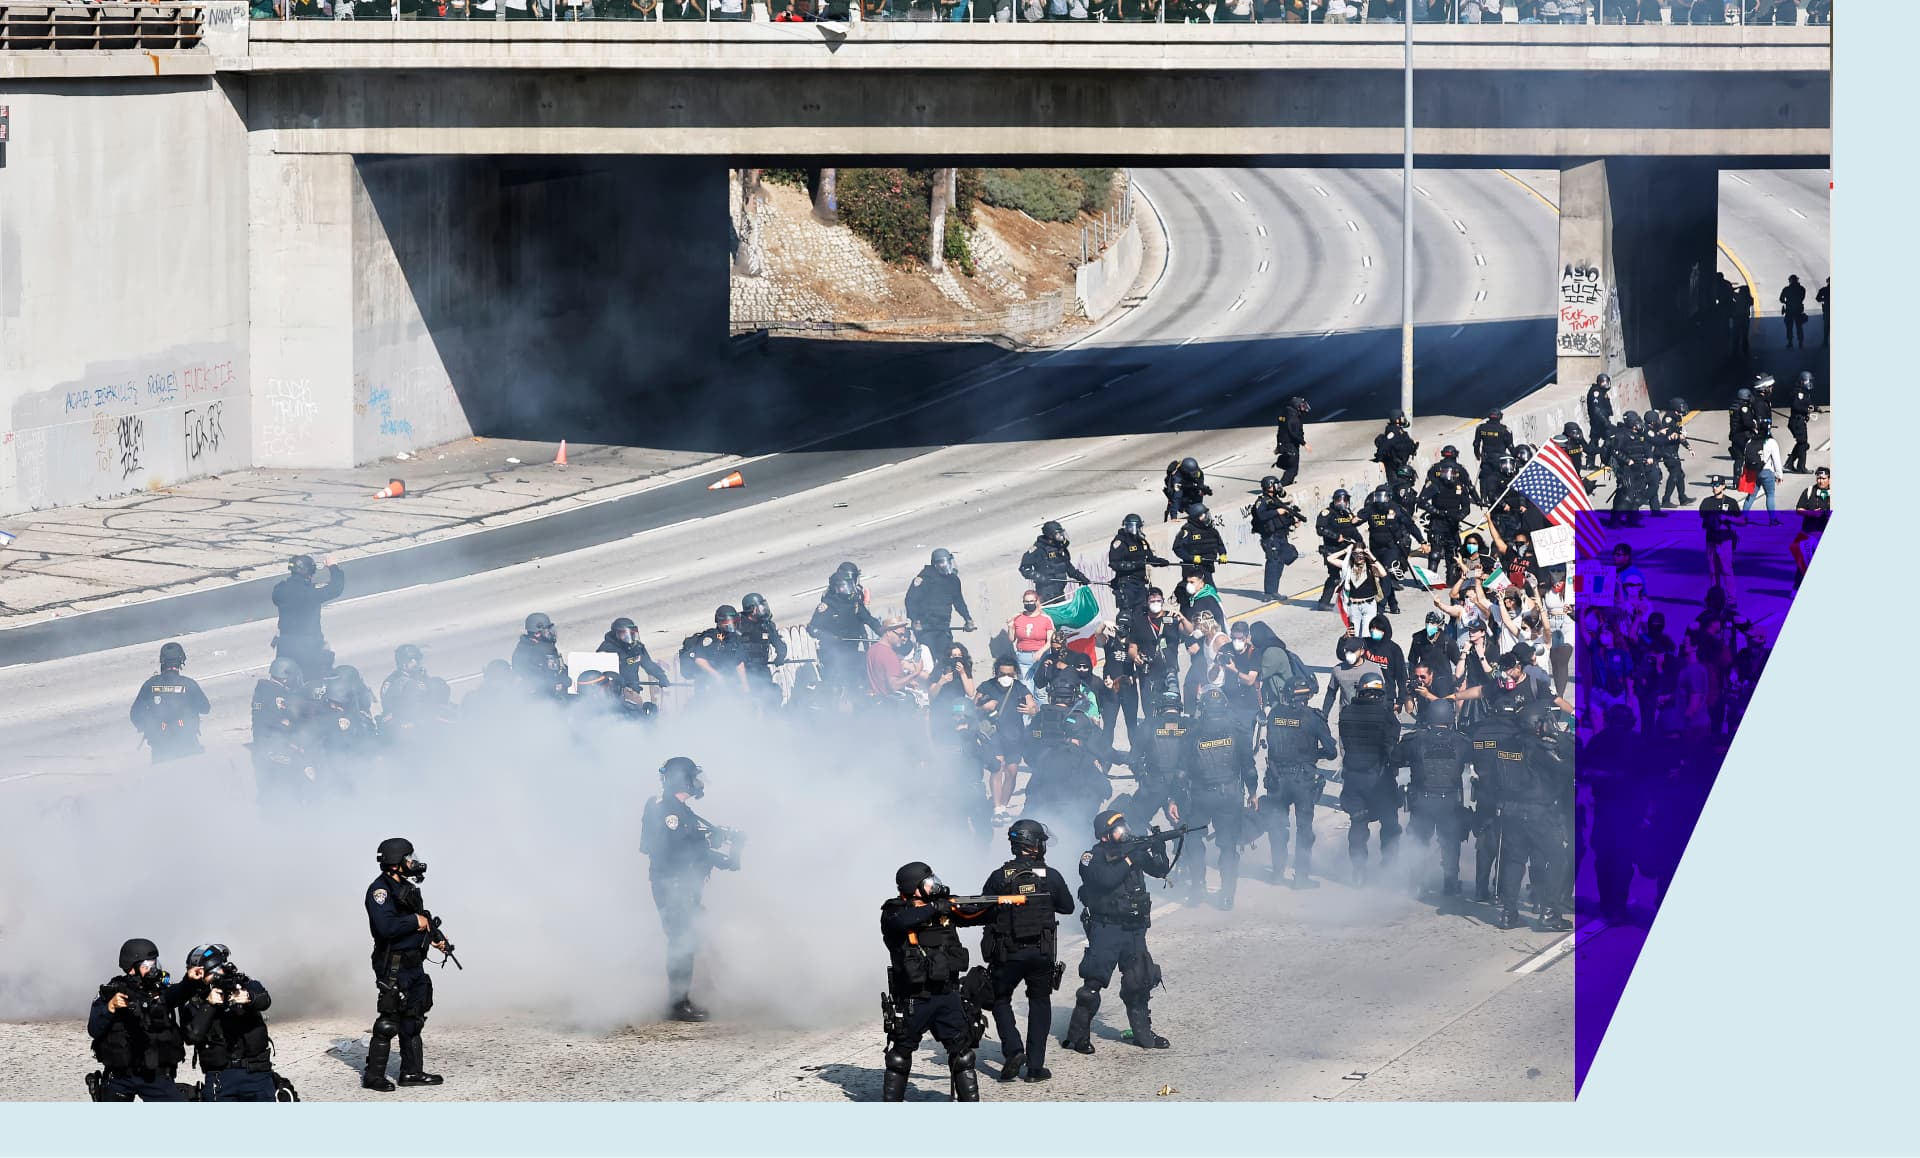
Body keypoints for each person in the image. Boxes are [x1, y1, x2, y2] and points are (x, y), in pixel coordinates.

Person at [1062, 810, 1174, 1055]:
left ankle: (1143, 1034)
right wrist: (1131, 859)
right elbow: (1106, 879)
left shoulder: (1132, 851)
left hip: (1134, 927)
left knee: (1139, 980)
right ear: (1105, 835)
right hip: (1106, 927)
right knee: (1093, 983)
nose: (1124, 831)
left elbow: (1160, 870)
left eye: (1124, 826)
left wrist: (1159, 849)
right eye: (1118, 829)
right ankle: (1078, 1037)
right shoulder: (1091, 857)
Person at [880, 862, 994, 1101]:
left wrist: (1000, 904)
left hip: (947, 995)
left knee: (963, 1055)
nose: (935, 885)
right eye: (928, 882)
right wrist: (934, 907)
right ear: (914, 887)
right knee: (899, 1056)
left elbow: (975, 913)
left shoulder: (944, 908)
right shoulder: (894, 911)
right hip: (914, 999)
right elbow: (901, 922)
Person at [641, 757, 742, 1022]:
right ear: (681, 779)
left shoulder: (681, 811)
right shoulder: (665, 809)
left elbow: (692, 849)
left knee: (689, 939)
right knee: (681, 942)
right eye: (694, 778)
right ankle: (677, 1005)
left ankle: (684, 999)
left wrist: (722, 847)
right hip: (672, 885)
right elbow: (669, 849)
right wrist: (706, 842)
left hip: (682, 886)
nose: (698, 783)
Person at [979, 819, 1075, 1084]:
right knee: (1040, 1002)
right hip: (1041, 953)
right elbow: (1068, 907)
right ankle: (1035, 1068)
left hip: (1007, 953)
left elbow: (983, 909)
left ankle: (1013, 1050)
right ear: (1034, 845)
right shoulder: (1051, 875)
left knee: (1000, 999)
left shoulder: (999, 876)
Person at [362, 837, 450, 1091]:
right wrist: (415, 922)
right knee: (389, 1020)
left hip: (413, 963)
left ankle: (411, 1073)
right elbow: (385, 927)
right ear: (394, 863)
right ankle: (373, 1076)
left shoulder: (406, 888)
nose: (413, 862)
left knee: (413, 1018)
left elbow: (421, 919)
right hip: (393, 964)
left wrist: (435, 937)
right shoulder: (380, 891)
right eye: (408, 858)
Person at [86, 938, 191, 1101]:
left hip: (155, 1076)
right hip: (120, 1076)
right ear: (132, 968)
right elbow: (94, 1029)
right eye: (147, 965)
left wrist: (190, 981)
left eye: (154, 964)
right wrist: (110, 1008)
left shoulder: (161, 990)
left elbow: (179, 993)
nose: (153, 969)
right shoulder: (113, 991)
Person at [1259, 674, 1336, 889]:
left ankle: (1277, 873)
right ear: (1307, 696)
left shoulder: (1274, 714)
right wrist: (1313, 754)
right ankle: (1301, 878)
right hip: (1302, 781)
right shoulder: (1313, 717)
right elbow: (1331, 752)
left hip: (1277, 779)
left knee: (1277, 827)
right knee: (1304, 830)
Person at [1391, 699, 1473, 897]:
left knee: (1419, 841)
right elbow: (1476, 760)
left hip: (1422, 800)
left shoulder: (1413, 740)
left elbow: (1395, 759)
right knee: (1451, 842)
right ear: (1450, 718)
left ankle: (1416, 883)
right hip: (1450, 802)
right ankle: (1450, 883)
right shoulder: (1462, 741)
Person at [179, 944, 282, 1102]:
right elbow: (192, 1036)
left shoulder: (244, 985)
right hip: (219, 1078)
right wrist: (209, 1005)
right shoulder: (196, 1003)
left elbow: (265, 1000)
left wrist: (249, 998)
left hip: (256, 1073)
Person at [1336, 670, 1402, 884]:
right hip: (1379, 779)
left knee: (1358, 824)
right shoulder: (1386, 716)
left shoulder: (1346, 713)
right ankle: (1389, 869)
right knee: (1389, 823)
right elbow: (1392, 749)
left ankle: (1358, 872)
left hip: (1353, 779)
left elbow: (1346, 742)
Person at [128, 642, 210, 763]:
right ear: (181, 661)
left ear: (162, 661)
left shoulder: (150, 684)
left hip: (160, 748)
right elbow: (205, 708)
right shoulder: (188, 684)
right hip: (188, 744)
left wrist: (150, 729)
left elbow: (135, 714)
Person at [808, 567, 880, 698]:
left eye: (848, 586)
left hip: (851, 650)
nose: (846, 589)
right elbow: (812, 628)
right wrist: (831, 638)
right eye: (842, 587)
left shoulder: (854, 604)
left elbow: (869, 620)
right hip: (832, 653)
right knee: (836, 684)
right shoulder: (827, 606)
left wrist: (884, 632)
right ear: (835, 588)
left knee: (866, 670)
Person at [249, 657, 311, 806]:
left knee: (268, 786)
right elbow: (282, 724)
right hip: (277, 748)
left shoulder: (263, 691)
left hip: (261, 748)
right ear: (285, 677)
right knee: (295, 783)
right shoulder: (279, 695)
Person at [271, 554, 344, 679]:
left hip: (285, 645)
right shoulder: (311, 593)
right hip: (309, 647)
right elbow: (336, 588)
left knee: (283, 678)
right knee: (314, 681)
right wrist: (333, 566)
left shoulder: (279, 590)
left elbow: (278, 599)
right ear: (310, 572)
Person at [905, 548, 976, 666]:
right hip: (926, 629)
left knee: (947, 659)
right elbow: (911, 601)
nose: (946, 565)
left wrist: (967, 619)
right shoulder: (924, 579)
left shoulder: (953, 580)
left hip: (943, 627)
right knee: (928, 660)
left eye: (948, 562)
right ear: (936, 564)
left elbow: (959, 602)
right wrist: (915, 620)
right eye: (943, 562)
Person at [1248, 478, 1305, 601]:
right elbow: (1261, 515)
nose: (1278, 487)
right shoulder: (1262, 501)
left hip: (1281, 536)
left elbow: (1280, 520)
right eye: (1275, 485)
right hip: (1270, 538)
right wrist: (1276, 512)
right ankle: (1269, 592)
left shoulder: (1275, 500)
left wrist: (1293, 522)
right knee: (1273, 562)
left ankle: (1274, 590)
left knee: (1286, 557)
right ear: (1269, 486)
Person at [1107, 513, 1171, 618]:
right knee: (1127, 613)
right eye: (1132, 526)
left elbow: (1149, 558)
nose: (1135, 529)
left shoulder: (1142, 542)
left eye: (1138, 527)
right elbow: (1114, 563)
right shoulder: (1120, 542)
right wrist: (1133, 565)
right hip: (1127, 583)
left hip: (1140, 582)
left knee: (1142, 611)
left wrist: (1160, 562)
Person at [682, 605, 751, 697]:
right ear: (719, 622)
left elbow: (739, 663)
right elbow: (699, 659)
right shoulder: (710, 637)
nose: (731, 625)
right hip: (708, 683)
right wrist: (717, 676)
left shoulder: (735, 638)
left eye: (734, 622)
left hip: (728, 682)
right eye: (727, 622)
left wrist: (744, 684)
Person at [1313, 489, 1364, 611]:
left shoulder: (1347, 514)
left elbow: (1353, 530)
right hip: (1333, 550)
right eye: (1339, 500)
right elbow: (1320, 529)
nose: (1342, 502)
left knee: (1354, 574)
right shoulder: (1327, 513)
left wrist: (1360, 543)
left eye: (1345, 500)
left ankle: (1353, 600)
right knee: (1335, 577)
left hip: (1348, 549)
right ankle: (1323, 603)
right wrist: (1335, 536)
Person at [1020, 521, 1091, 605]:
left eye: (1061, 533)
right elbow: (1024, 568)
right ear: (1050, 535)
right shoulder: (1038, 549)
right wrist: (1040, 577)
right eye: (1058, 534)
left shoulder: (1059, 548)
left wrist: (1079, 576)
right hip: (1045, 592)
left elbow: (1067, 566)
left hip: (1059, 590)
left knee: (1062, 611)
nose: (1061, 536)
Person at [735, 594, 789, 705]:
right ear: (753, 610)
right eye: (761, 607)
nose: (764, 609)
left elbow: (779, 644)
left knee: (772, 697)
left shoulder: (766, 625)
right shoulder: (738, 625)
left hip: (761, 670)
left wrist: (780, 657)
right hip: (743, 672)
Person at [601, 617, 671, 697]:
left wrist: (661, 676)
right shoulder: (607, 648)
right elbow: (601, 672)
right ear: (617, 633)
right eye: (624, 633)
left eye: (631, 633)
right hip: (613, 693)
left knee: (637, 703)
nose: (629, 636)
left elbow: (648, 664)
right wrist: (617, 680)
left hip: (632, 690)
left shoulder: (637, 648)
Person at [867, 616, 925, 704]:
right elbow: (894, 685)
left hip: (876, 703)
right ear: (888, 632)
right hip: (890, 706)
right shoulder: (888, 654)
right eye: (900, 635)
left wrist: (906, 682)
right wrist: (915, 673)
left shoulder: (872, 649)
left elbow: (881, 678)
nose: (903, 638)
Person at [512, 612, 569, 700]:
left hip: (547, 694)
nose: (550, 633)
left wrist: (565, 673)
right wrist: (559, 682)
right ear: (537, 633)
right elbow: (537, 677)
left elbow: (555, 669)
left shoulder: (543, 646)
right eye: (547, 631)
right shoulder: (532, 650)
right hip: (539, 698)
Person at [1791, 466, 1831, 590]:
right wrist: (1812, 513)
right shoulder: (1809, 491)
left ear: (1829, 479)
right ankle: (1797, 587)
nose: (1821, 481)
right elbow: (1799, 509)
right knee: (1803, 562)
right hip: (1809, 533)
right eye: (1819, 478)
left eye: (1824, 478)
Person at [1170, 504, 1228, 586]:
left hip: (1207, 567)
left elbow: (1219, 544)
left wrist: (1223, 554)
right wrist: (1192, 558)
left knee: (1211, 590)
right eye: (1203, 516)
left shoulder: (1211, 530)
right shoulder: (1188, 530)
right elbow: (1177, 548)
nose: (1207, 518)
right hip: (1193, 569)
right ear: (1196, 517)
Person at [1741, 422, 1784, 523]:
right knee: (1770, 495)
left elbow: (1746, 456)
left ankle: (1743, 517)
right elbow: (1776, 460)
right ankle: (1772, 519)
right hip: (1766, 472)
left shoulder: (1751, 440)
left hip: (1753, 471)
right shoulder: (1771, 442)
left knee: (1751, 495)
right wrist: (1779, 475)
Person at [1473, 409, 1515, 497]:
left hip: (1486, 457)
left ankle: (1483, 497)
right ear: (1500, 417)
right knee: (1501, 477)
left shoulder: (1481, 428)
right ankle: (1500, 496)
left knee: (1484, 477)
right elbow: (1510, 446)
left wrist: (1477, 455)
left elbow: (1476, 444)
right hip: (1500, 459)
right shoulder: (1505, 430)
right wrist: (1514, 458)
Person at [1272, 396, 1311, 487]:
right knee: (1293, 468)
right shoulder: (1293, 418)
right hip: (1290, 444)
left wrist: (1278, 445)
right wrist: (1304, 443)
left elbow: (1280, 431)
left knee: (1291, 464)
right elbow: (1294, 433)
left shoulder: (1285, 413)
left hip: (1283, 443)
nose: (1304, 408)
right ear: (1296, 406)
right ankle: (1281, 485)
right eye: (1302, 406)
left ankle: (1288, 480)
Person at [1783, 371, 1816, 474]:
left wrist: (1816, 408)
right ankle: (1801, 468)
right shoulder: (1798, 392)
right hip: (1797, 421)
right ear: (1802, 381)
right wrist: (1807, 409)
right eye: (1807, 381)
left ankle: (1789, 464)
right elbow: (1796, 406)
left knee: (1803, 444)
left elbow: (1808, 404)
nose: (1809, 383)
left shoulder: (1805, 393)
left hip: (1800, 421)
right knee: (1803, 444)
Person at [1585, 375, 1615, 470]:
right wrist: (1605, 422)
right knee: (1598, 440)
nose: (1607, 384)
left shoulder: (1602, 391)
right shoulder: (1596, 392)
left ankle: (1599, 460)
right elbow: (1596, 410)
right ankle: (1594, 461)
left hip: (1602, 420)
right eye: (1605, 382)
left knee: (1599, 440)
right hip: (1598, 422)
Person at [1779, 274, 1808, 348]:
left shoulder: (1786, 289)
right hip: (1798, 310)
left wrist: (1786, 302)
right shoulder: (1801, 289)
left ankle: (1790, 343)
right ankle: (1800, 343)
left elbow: (1781, 299)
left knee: (1789, 327)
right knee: (1799, 327)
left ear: (1790, 281)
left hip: (1789, 310)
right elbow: (1802, 298)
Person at [1815, 277, 1829, 346]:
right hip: (1827, 310)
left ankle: (1825, 342)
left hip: (1827, 310)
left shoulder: (1824, 289)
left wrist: (1824, 299)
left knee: (1826, 326)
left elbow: (1818, 298)